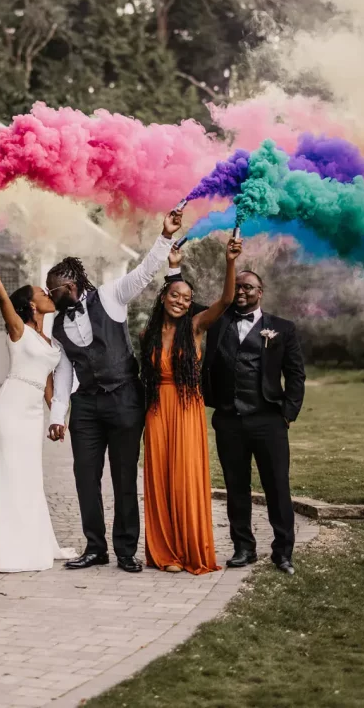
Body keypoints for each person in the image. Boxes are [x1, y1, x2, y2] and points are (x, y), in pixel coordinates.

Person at [47, 210, 182, 573]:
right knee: (85, 477)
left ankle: (125, 550)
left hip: (124, 399)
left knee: (125, 477)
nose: (49, 295)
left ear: (71, 284)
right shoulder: (57, 324)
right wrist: (57, 416)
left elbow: (144, 273)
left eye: (53, 290)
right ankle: (95, 548)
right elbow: (63, 371)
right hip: (86, 406)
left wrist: (165, 236)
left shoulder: (111, 296)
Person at [0, 241, 75, 572]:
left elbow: (48, 382)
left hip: (32, 415)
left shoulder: (50, 340)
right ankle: (6, 549)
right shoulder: (19, 330)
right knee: (9, 475)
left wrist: (56, 417)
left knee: (29, 478)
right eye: (42, 292)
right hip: (10, 409)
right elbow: (3, 297)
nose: (48, 294)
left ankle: (33, 541)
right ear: (31, 304)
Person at [139, 236, 242, 574]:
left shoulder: (196, 328)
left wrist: (230, 261)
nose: (181, 302)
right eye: (175, 295)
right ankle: (165, 551)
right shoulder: (146, 335)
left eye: (187, 298)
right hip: (157, 410)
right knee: (160, 478)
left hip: (186, 408)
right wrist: (172, 266)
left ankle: (188, 547)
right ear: (164, 297)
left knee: (184, 477)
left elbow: (227, 300)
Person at [204, 268, 306, 575]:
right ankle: (243, 548)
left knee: (277, 486)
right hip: (229, 421)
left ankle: (283, 552)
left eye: (248, 287)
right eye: (237, 287)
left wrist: (288, 413)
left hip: (269, 421)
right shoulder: (217, 323)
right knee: (236, 487)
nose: (242, 291)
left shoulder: (282, 328)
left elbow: (296, 374)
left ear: (260, 292)